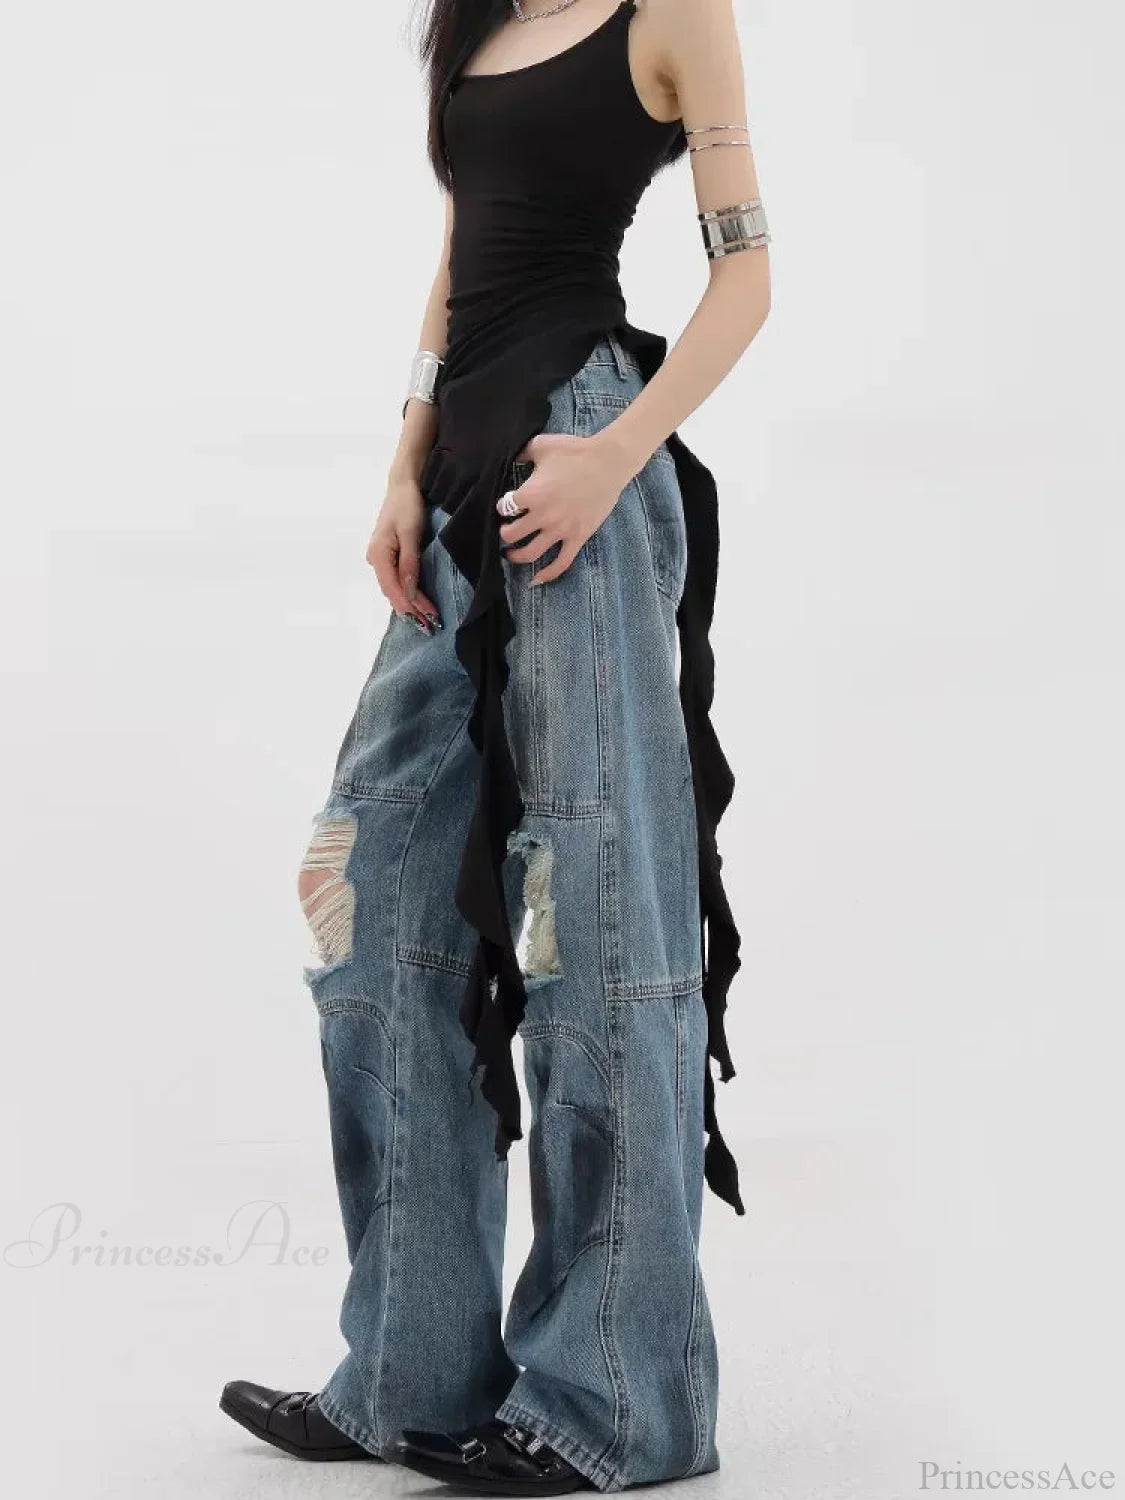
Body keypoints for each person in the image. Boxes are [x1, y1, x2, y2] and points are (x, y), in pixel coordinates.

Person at [219, 0, 771, 1492]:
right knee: (366, 901)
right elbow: (465, 252)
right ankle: (408, 1373)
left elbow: (748, 276)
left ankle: (621, 1403)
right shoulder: (480, 21)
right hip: (465, 480)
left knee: (593, 918)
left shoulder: (673, 12)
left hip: (577, 469)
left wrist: (617, 455)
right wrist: (402, 464)